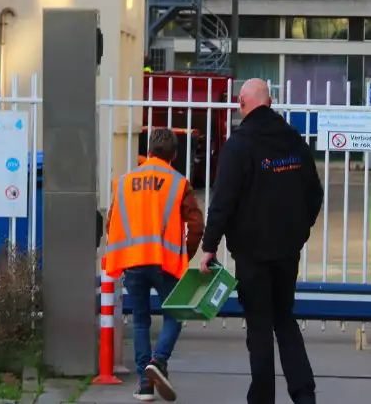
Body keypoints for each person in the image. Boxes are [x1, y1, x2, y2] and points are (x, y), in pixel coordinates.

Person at [199, 78, 324, 404]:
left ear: (242, 104)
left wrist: (209, 246)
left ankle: (262, 399)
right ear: (269, 102)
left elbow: (223, 200)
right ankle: (304, 394)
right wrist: (300, 230)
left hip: (252, 253)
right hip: (287, 250)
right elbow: (314, 193)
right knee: (284, 318)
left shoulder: (239, 145)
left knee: (259, 328)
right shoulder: (294, 141)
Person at [105, 129, 205, 402]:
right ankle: (158, 362)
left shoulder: (124, 182)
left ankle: (144, 385)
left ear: (148, 151)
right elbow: (197, 225)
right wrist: (187, 254)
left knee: (140, 321)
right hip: (165, 264)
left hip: (133, 264)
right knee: (176, 315)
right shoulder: (177, 183)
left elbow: (110, 222)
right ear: (174, 155)